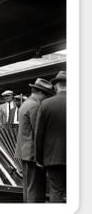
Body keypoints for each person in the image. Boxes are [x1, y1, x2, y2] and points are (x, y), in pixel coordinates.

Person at [15, 78, 54, 202]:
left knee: (28, 187)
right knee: (36, 188)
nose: (47, 99)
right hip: (33, 154)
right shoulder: (35, 106)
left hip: (24, 151)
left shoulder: (25, 104)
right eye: (47, 95)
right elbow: (38, 132)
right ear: (41, 93)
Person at [35, 71, 67, 203]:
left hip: (53, 157)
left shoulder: (46, 104)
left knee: (56, 190)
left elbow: (39, 134)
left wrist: (39, 158)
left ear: (55, 86)